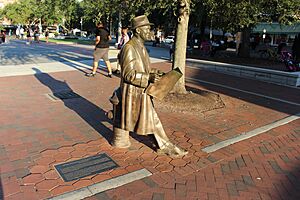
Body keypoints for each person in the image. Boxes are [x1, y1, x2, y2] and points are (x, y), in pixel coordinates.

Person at [109, 15, 188, 157]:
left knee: (151, 118)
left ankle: (164, 144)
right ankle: (164, 145)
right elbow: (128, 75)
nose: (149, 32)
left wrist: (154, 73)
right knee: (152, 118)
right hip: (134, 93)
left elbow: (142, 69)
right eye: (147, 29)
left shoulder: (141, 47)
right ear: (138, 30)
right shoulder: (130, 48)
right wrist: (148, 77)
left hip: (142, 90)